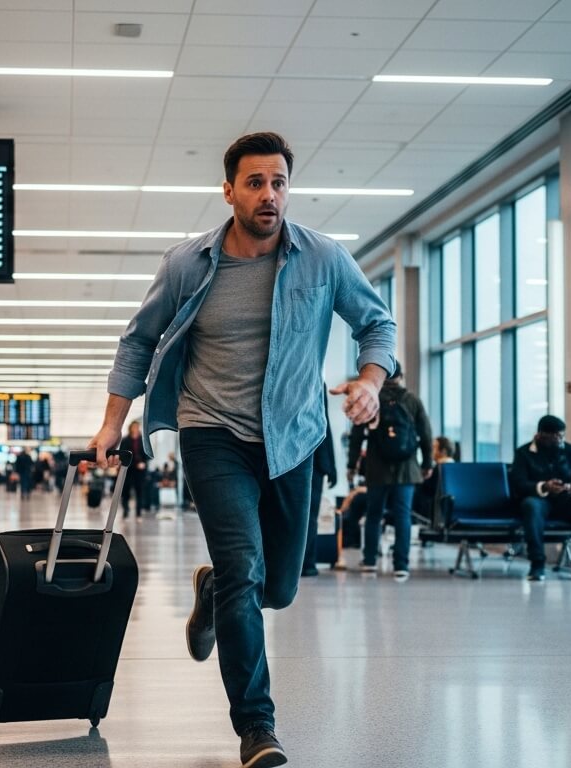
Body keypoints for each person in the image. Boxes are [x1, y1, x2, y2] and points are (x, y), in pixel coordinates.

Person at [85, 131, 396, 768]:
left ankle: (213, 592)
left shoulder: (323, 258)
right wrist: (113, 423)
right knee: (244, 568)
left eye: (278, 182)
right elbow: (137, 343)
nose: (269, 195)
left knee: (279, 587)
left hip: (293, 437)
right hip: (211, 432)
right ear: (228, 191)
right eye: (254, 183)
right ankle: (257, 726)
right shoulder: (186, 264)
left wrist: (370, 380)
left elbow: (377, 322)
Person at [345, 360, 432, 581]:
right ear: (401, 377)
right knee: (403, 515)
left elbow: (356, 437)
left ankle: (370, 562)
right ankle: (401, 565)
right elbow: (426, 435)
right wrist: (427, 464)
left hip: (377, 467)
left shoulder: (372, 401)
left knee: (374, 514)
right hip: (407, 468)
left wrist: (352, 465)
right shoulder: (412, 401)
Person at [511, 415, 571, 582]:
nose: (560, 439)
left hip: (566, 501)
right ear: (541, 436)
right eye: (555, 436)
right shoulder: (523, 454)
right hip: (540, 500)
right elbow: (519, 484)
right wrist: (544, 486)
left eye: (561, 435)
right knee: (531, 506)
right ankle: (537, 564)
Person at [300, 414, 337, 577]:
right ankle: (307, 563)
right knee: (310, 517)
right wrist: (331, 466)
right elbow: (324, 424)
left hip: (292, 457)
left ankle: (299, 563)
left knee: (300, 515)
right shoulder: (318, 386)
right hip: (315, 459)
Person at [120, 421, 149, 517]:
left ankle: (138, 513)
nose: (135, 428)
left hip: (140, 471)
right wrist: (134, 464)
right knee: (126, 491)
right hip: (128, 469)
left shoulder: (143, 440)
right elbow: (122, 455)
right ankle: (125, 510)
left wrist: (143, 463)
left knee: (139, 491)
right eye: (134, 427)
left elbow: (147, 454)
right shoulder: (125, 440)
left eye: (137, 427)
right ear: (130, 428)